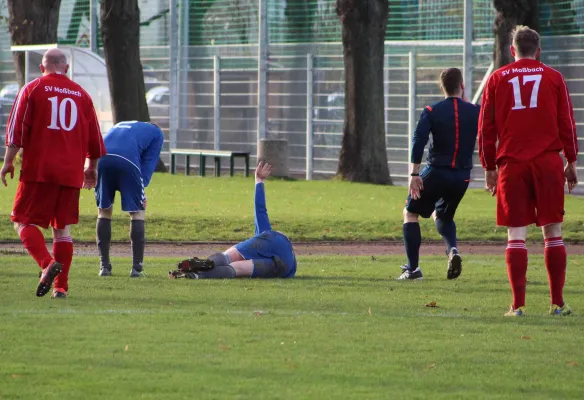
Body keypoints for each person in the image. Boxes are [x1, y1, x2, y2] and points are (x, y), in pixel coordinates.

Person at [478, 26, 578, 317]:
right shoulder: (554, 77)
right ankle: (557, 304)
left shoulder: (497, 79)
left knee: (516, 235)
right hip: (547, 162)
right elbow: (566, 123)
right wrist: (571, 161)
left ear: (512, 50)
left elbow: (486, 128)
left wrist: (488, 166)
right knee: (553, 232)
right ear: (539, 50)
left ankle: (518, 306)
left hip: (512, 164)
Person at [0, 48, 105, 298]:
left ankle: (47, 264)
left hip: (40, 170)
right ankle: (61, 288)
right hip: (70, 174)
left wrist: (8, 162)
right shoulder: (82, 95)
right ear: (66, 69)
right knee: (62, 229)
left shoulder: (33, 88)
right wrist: (91, 168)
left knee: (21, 221)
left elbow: (16, 131)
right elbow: (95, 138)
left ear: (42, 68)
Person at [398, 68, 480, 281]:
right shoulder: (476, 111)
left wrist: (414, 174)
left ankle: (413, 270)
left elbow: (419, 140)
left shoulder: (431, 111)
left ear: (441, 87)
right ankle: (452, 249)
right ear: (462, 86)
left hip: (436, 172)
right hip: (462, 177)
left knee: (410, 213)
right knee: (443, 215)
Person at [168, 162, 297, 280]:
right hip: (282, 270)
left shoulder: (269, 234)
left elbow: (260, 210)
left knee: (229, 257)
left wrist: (259, 181)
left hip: (275, 243)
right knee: (237, 269)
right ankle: (198, 275)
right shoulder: (291, 264)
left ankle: (208, 263)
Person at [95, 120, 164, 277]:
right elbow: (148, 165)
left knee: (104, 211)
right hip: (127, 161)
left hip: (102, 158)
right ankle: (136, 269)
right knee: (137, 212)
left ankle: (104, 267)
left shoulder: (122, 124)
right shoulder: (157, 134)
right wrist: (141, 192)